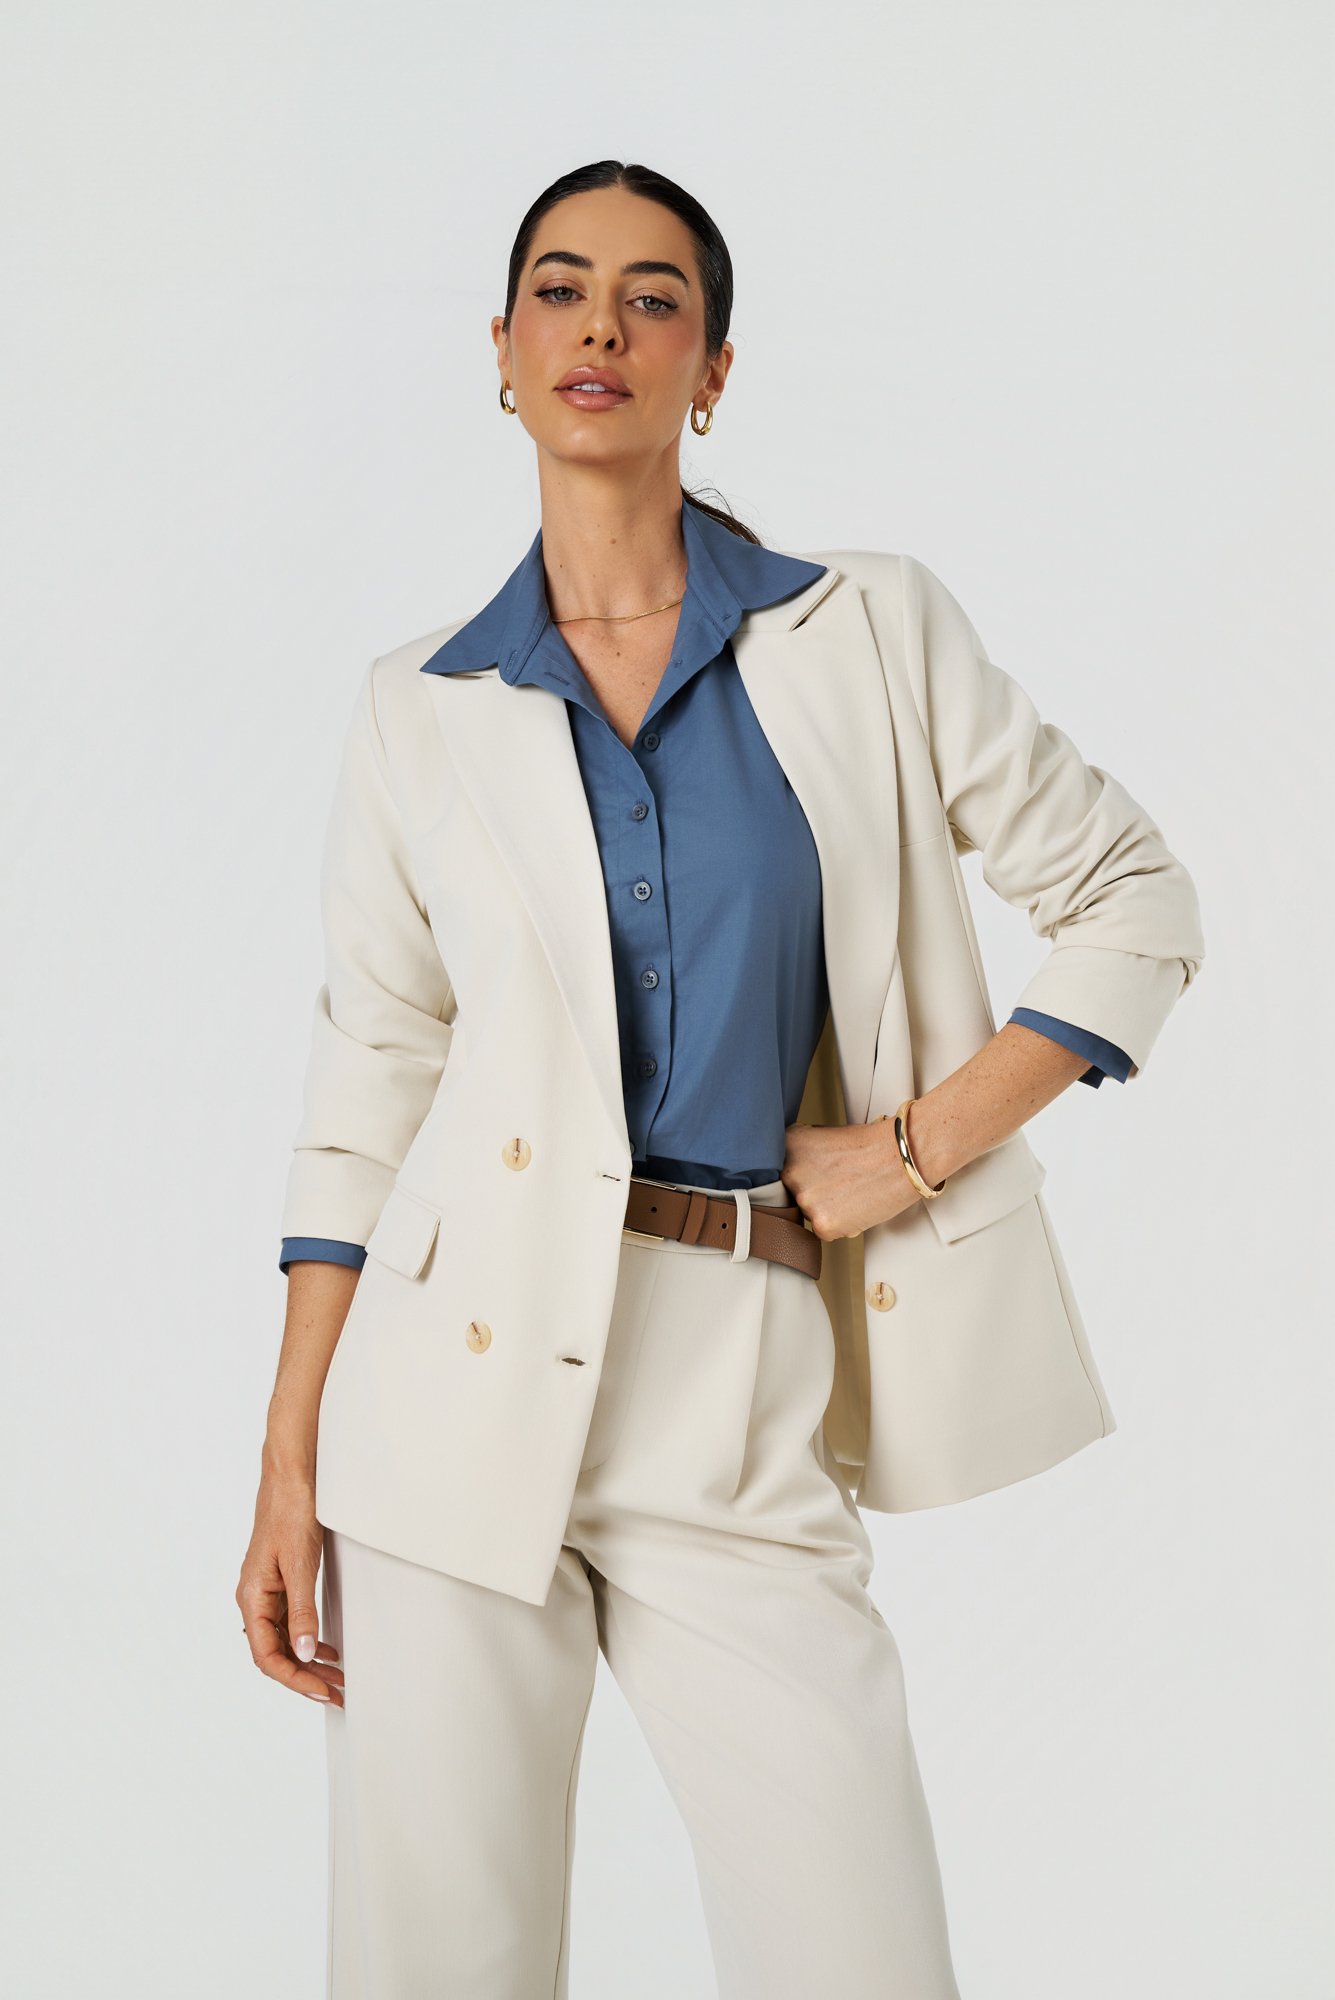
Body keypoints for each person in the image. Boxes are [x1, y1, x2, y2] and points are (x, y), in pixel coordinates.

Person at [236, 159, 1204, 1998]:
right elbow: (367, 1087)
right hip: (443, 1387)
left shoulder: (868, 631)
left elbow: (1136, 900)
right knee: (440, 1966)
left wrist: (913, 1147)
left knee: (859, 1954)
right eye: (559, 289)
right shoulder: (416, 704)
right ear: (502, 354)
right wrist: (288, 1463)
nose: (600, 325)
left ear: (716, 369)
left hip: (736, 1367)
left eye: (654, 296)